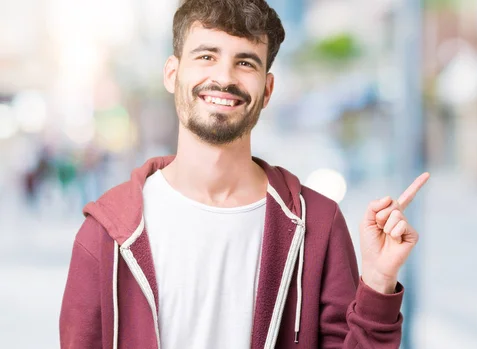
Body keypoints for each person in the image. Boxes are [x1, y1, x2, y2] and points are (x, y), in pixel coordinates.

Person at [58, 0, 430, 348]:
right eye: (206, 56)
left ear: (267, 90)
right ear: (172, 74)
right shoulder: (106, 235)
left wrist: (379, 283)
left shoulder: (318, 224)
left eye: (246, 63)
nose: (224, 77)